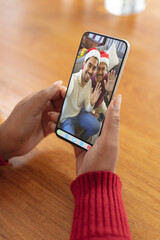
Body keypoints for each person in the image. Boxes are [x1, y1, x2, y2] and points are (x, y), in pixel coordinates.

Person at [0, 82, 132, 239]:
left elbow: (89, 110)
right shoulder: (78, 82)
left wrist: (3, 144)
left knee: (93, 125)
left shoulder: (92, 89)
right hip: (72, 119)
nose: (92, 70)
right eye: (91, 66)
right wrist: (97, 184)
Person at [60, 48, 102, 141]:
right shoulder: (73, 79)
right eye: (89, 65)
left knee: (96, 127)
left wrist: (91, 102)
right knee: (70, 139)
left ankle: (82, 140)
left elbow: (87, 108)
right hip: (67, 119)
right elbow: (66, 92)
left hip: (79, 114)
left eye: (94, 68)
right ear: (84, 64)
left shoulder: (89, 83)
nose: (91, 71)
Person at [91, 51, 117, 117]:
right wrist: (92, 113)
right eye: (98, 68)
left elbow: (112, 102)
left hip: (100, 104)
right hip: (88, 106)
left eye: (103, 69)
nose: (100, 72)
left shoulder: (108, 79)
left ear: (106, 69)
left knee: (108, 117)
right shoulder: (89, 77)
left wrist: (110, 91)